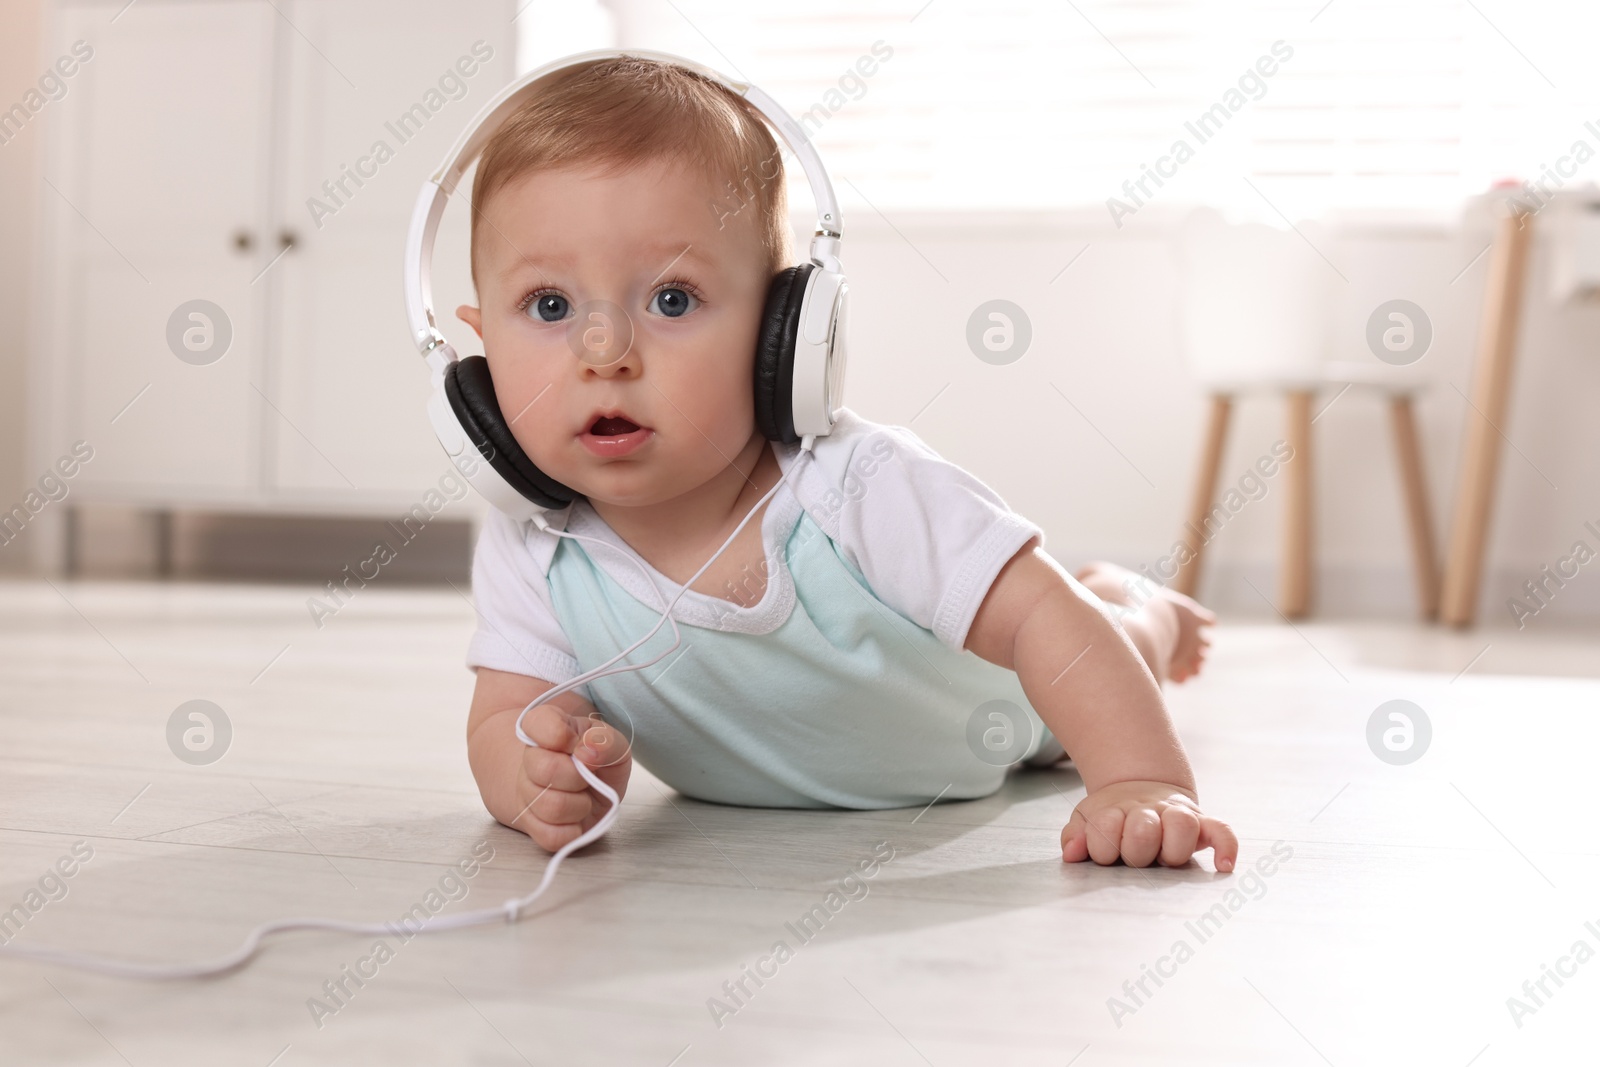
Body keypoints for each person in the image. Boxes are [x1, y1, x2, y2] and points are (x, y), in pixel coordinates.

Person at [456, 55, 1236, 873]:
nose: (604, 351)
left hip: (1001, 717)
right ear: (478, 350)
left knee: (1102, 636)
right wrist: (533, 775)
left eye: (672, 299)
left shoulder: (859, 487)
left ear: (783, 333)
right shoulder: (534, 544)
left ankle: (1141, 607)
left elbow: (1047, 623)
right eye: (550, 306)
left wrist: (1141, 780)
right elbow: (501, 715)